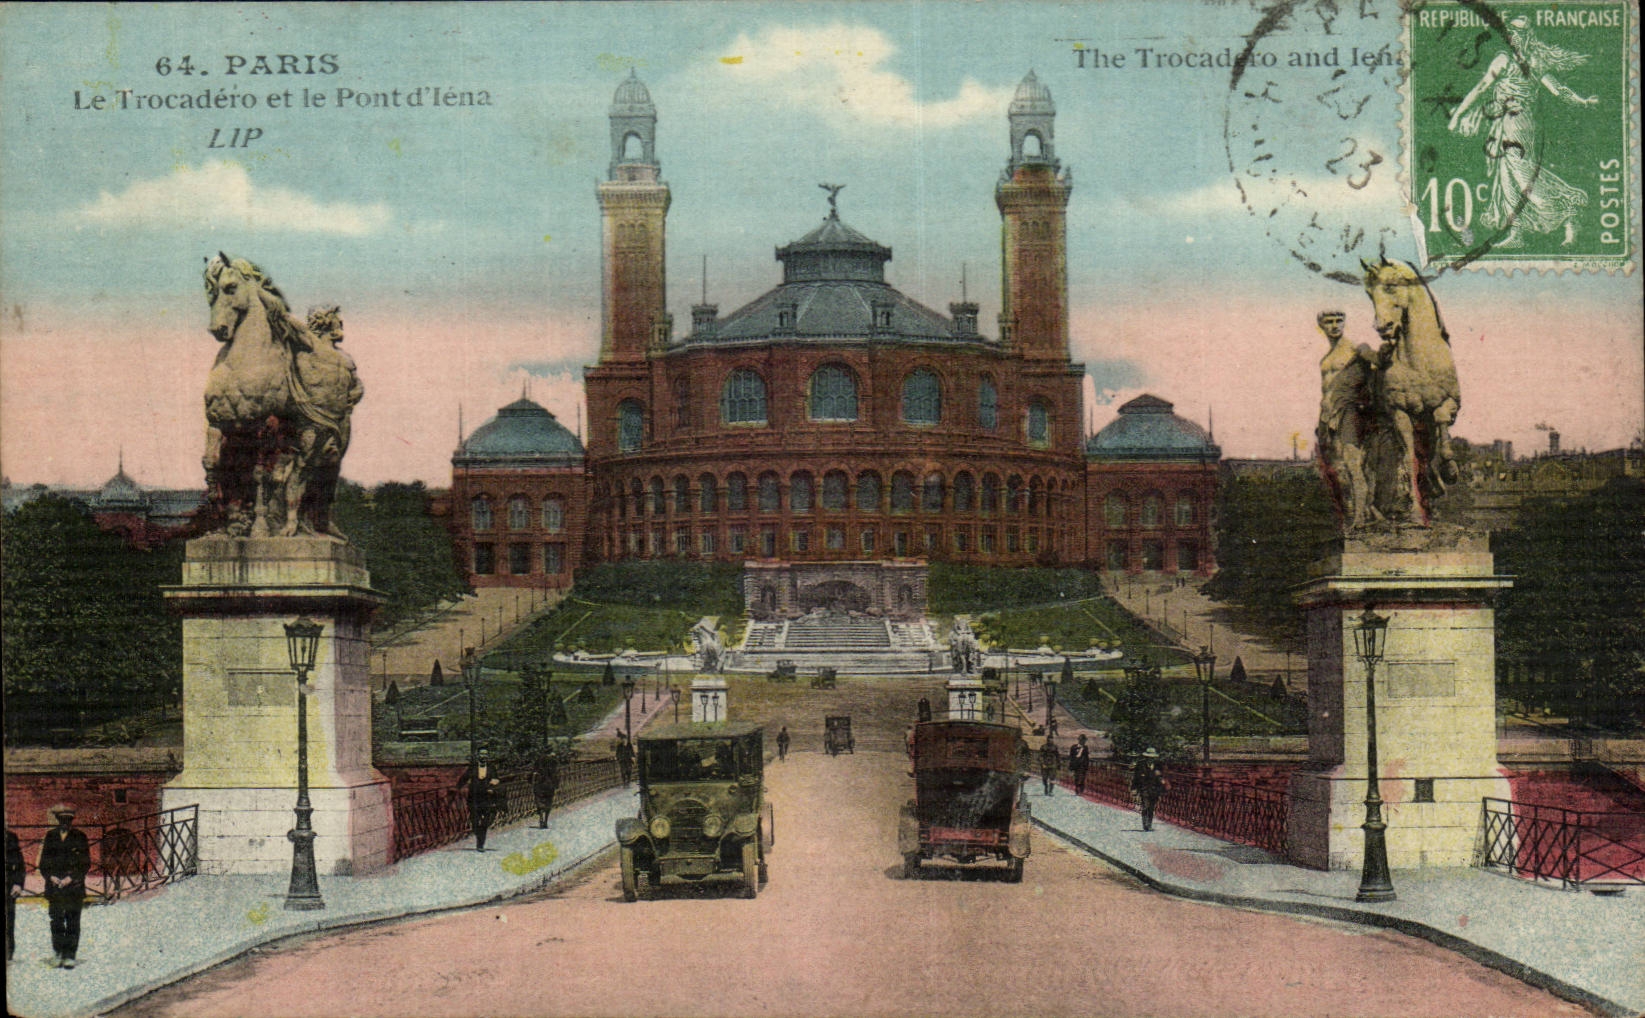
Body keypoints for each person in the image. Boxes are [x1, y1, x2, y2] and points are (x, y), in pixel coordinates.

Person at [1447, 15, 1597, 249]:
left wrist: (1582, 101)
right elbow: (1482, 88)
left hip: (1521, 123)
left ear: (1526, 36)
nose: (1512, 38)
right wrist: (1459, 115)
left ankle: (1568, 210)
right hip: (1508, 121)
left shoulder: (1527, 61)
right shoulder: (1507, 60)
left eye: (1517, 34)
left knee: (1522, 173)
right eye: (1510, 34)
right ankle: (1517, 232)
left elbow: (1557, 89)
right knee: (1507, 175)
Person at [37, 805, 90, 969]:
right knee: (56, 921)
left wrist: (70, 878)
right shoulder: (51, 836)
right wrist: (51, 876)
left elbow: (85, 863)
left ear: (72, 821)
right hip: (54, 887)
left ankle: (70, 955)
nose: (65, 823)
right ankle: (58, 952)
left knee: (73, 921)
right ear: (58, 821)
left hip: (73, 887)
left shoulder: (80, 837)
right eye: (62, 820)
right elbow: (43, 862)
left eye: (68, 820)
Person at [457, 750, 502, 852]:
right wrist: (457, 788)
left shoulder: (491, 768)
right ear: (478, 755)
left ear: (488, 756)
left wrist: (492, 787)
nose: (483, 756)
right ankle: (478, 838)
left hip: (487, 797)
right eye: (481, 754)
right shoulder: (473, 767)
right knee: (475, 821)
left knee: (485, 822)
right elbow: (464, 778)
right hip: (474, 798)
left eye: (485, 754)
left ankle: (480, 844)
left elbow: (496, 779)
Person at [1132, 748, 1166, 832]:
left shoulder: (1158, 765)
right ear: (1146, 757)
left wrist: (1161, 780)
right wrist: (1134, 788)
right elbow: (1136, 778)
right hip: (1144, 789)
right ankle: (1145, 825)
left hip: (1154, 789)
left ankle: (1149, 825)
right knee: (1145, 806)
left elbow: (1161, 777)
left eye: (1152, 757)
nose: (1150, 759)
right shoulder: (1140, 764)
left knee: (1151, 808)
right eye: (1149, 757)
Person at [6, 827, 25, 963]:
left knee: (8, 920)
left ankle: (8, 953)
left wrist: (18, 883)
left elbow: (19, 864)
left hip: (7, 886)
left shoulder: (10, 837)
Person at [530, 749, 560, 829]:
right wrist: (556, 784)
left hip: (539, 784)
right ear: (550, 753)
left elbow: (533, 772)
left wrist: (531, 782)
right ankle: (546, 821)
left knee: (539, 800)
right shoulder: (553, 761)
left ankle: (541, 818)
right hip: (549, 785)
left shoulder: (538, 760)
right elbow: (555, 774)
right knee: (548, 802)